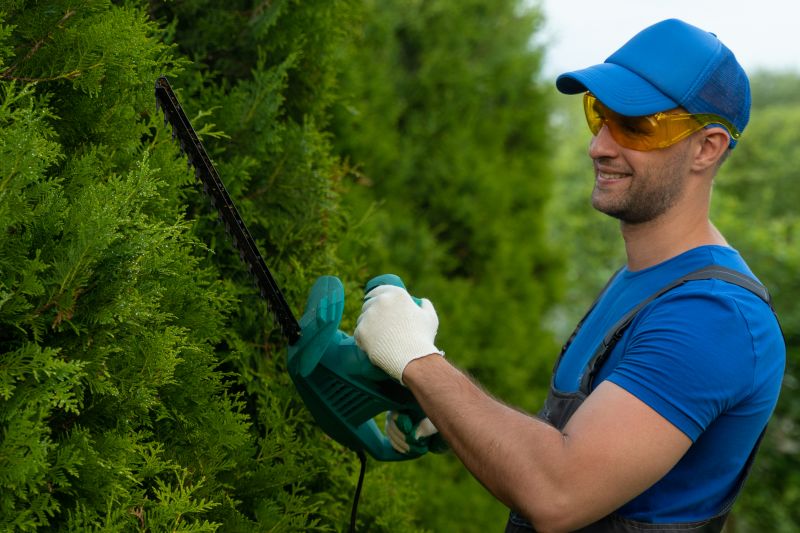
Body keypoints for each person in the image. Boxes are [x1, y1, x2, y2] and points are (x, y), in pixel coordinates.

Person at [354, 18, 785, 533]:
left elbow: (557, 491)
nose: (599, 146)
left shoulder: (714, 318)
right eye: (598, 116)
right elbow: (578, 439)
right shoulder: (643, 279)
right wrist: (452, 416)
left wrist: (417, 361)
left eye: (635, 126)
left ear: (707, 147)